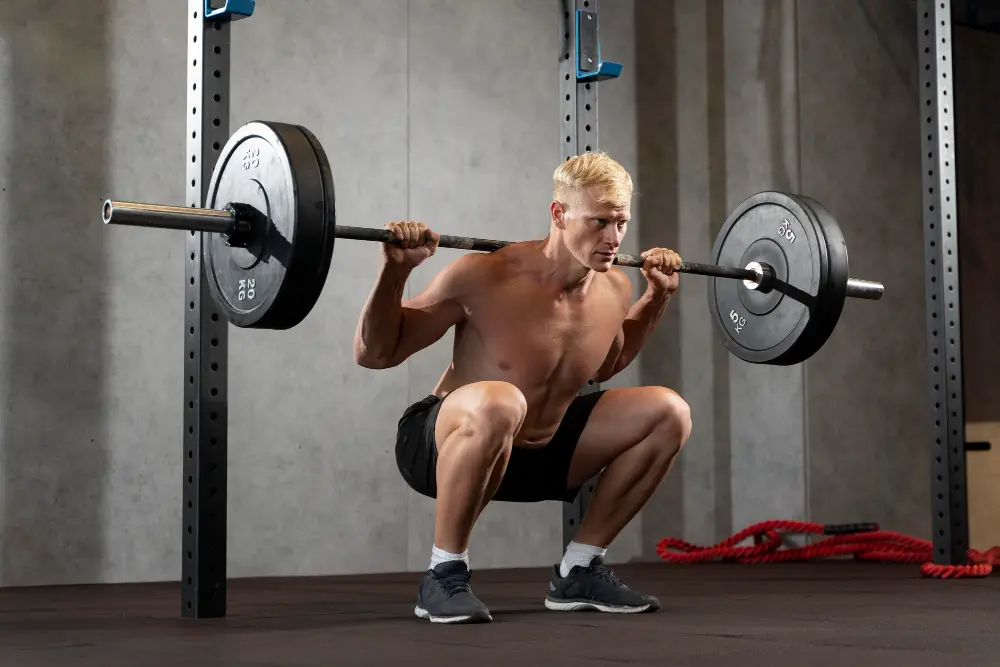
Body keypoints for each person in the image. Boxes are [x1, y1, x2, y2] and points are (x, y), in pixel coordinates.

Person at [353, 151, 692, 624]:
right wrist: (396, 270)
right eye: (599, 222)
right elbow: (375, 353)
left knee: (668, 411)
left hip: (540, 454)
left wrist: (656, 298)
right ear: (559, 214)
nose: (613, 238)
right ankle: (443, 574)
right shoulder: (483, 275)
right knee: (501, 400)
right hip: (444, 444)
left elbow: (607, 365)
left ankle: (580, 569)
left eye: (621, 223)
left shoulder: (614, 287)